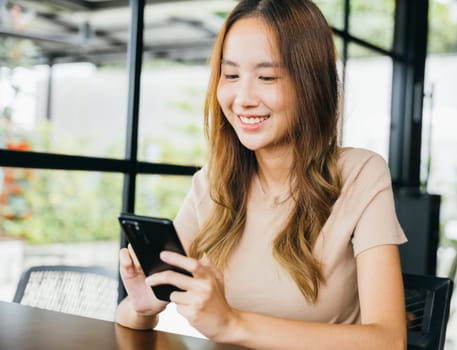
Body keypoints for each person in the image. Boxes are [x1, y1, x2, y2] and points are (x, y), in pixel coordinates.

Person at [116, 0, 408, 348]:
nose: (243, 98)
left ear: (312, 86)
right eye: (232, 75)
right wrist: (144, 307)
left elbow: (389, 340)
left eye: (267, 77)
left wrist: (232, 323)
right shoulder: (212, 183)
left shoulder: (361, 174)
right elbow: (128, 315)